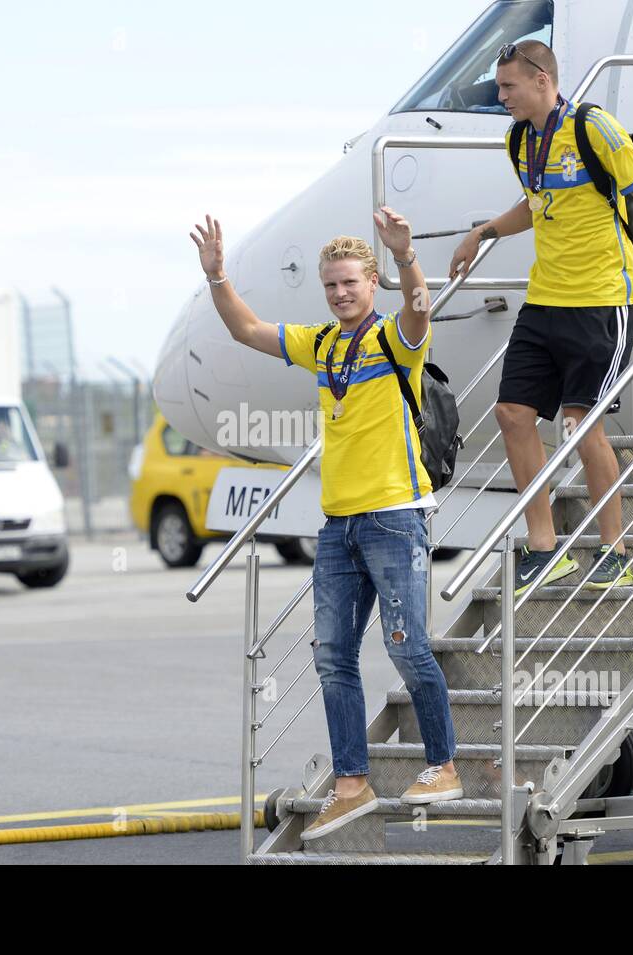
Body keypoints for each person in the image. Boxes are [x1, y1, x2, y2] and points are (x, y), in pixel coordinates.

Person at [191, 208, 462, 841]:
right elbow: (248, 329)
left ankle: (442, 764)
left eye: (351, 283)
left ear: (370, 285)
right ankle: (351, 782)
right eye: (332, 285)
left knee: (406, 646)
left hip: (394, 515)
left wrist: (404, 255)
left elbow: (421, 310)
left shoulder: (394, 338)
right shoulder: (323, 345)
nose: (341, 293)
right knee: (332, 655)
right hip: (338, 525)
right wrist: (216, 277)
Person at [449, 39, 633, 595]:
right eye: (500, 88)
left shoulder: (596, 129)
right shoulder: (519, 139)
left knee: (579, 425)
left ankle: (614, 550)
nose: (501, 98)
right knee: (512, 414)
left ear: (542, 80)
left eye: (508, 88)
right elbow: (536, 201)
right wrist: (482, 233)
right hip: (545, 300)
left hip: (599, 301)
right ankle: (545, 549)